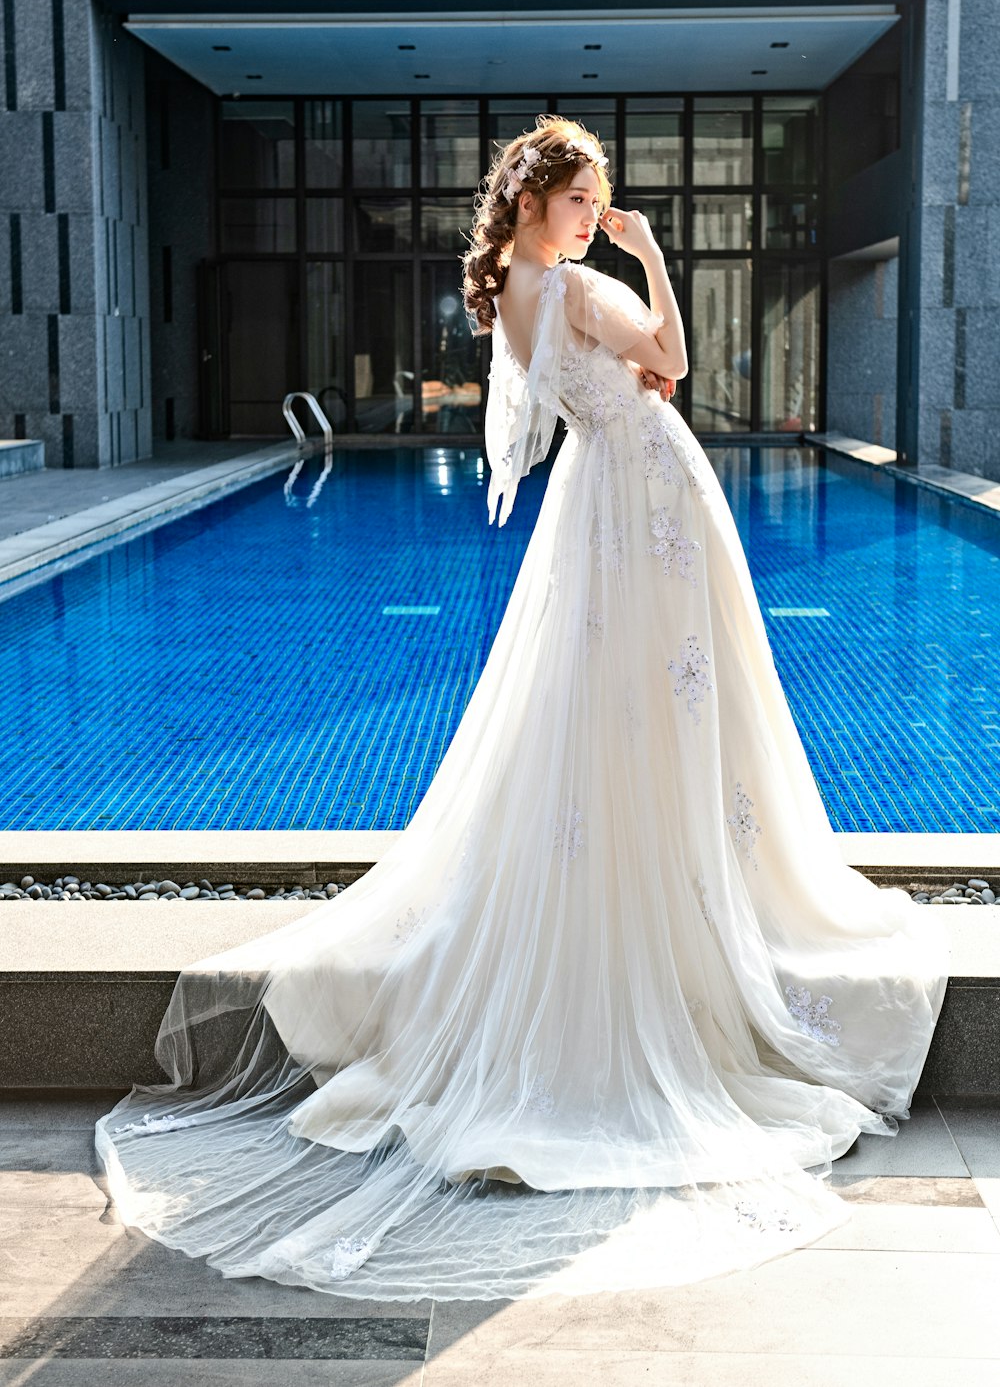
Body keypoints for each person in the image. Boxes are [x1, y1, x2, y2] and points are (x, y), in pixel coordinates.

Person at [96, 115, 949, 1301]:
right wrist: (651, 257)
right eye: (584, 195)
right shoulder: (579, 283)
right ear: (539, 198)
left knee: (618, 697)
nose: (597, 211)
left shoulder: (510, 286)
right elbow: (677, 362)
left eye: (603, 199)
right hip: (641, 488)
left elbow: (616, 372)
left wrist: (627, 325)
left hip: (602, 496)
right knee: (662, 693)